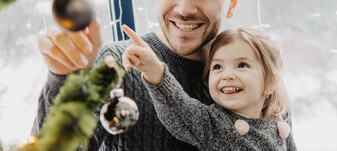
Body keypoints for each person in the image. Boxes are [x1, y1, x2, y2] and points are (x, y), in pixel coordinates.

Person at [33, 0, 240, 150]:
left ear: (232, 3)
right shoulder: (117, 64)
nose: (184, 8)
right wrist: (61, 78)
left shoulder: (253, 74)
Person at [122, 25, 297, 150]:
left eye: (242, 65)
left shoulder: (279, 126)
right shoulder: (213, 123)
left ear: (269, 83)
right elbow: (178, 107)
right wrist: (154, 69)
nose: (227, 75)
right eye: (218, 67)